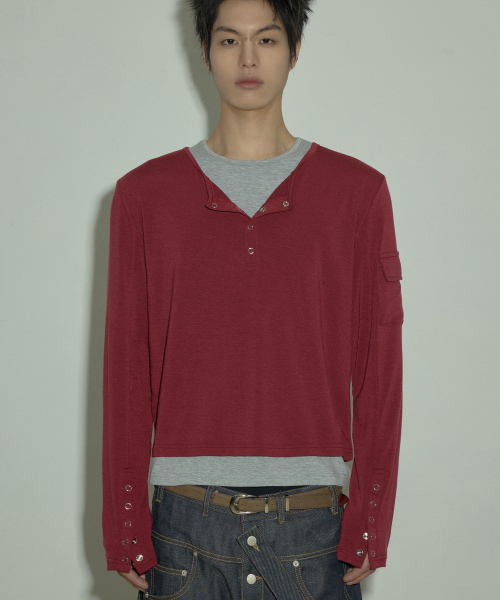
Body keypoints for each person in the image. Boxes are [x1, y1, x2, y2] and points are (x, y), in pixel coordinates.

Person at [101, 0, 404, 598]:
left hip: (314, 532)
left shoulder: (357, 193)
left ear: (294, 51)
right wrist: (124, 522)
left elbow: (380, 370)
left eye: (266, 40)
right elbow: (126, 372)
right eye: (228, 40)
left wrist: (371, 518)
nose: (247, 58)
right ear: (205, 52)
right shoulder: (144, 196)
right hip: (181, 532)